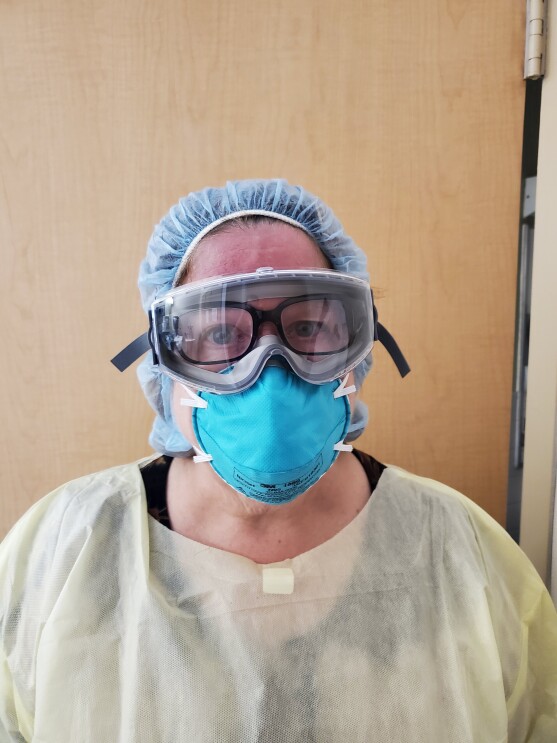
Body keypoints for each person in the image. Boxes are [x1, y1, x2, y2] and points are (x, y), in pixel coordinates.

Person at [0, 179, 556, 742]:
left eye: (308, 327)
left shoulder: (458, 547)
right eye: (220, 331)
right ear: (163, 359)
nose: (269, 367)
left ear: (358, 346)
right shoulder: (67, 548)